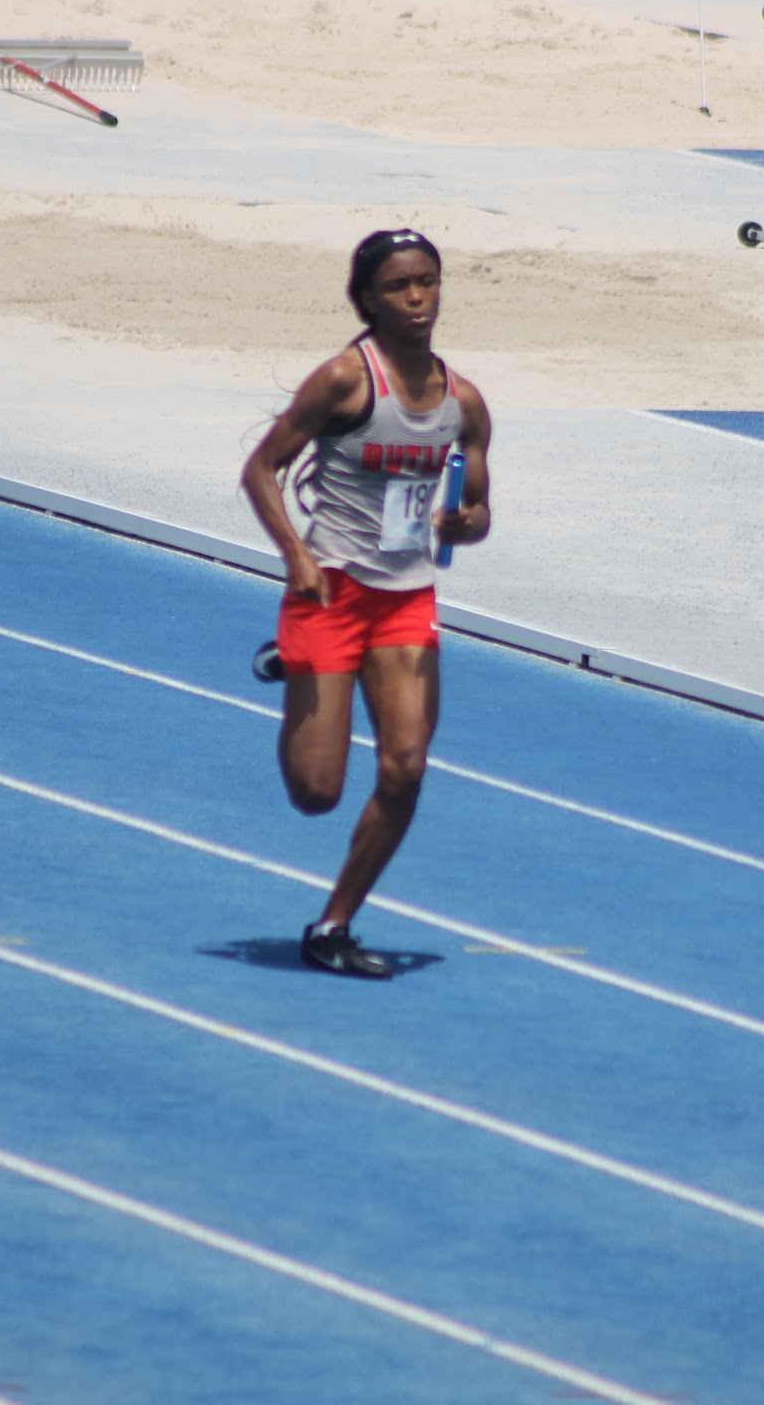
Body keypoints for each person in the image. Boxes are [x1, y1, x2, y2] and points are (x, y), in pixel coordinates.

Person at [241, 229, 492, 980]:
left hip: (406, 600)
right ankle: (294, 655)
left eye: (428, 283)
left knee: (406, 767)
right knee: (317, 794)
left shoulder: (465, 405)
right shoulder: (346, 382)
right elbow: (262, 470)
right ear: (367, 300)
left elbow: (477, 514)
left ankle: (333, 924)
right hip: (332, 589)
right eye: (398, 288)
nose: (417, 299)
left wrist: (464, 524)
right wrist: (296, 556)